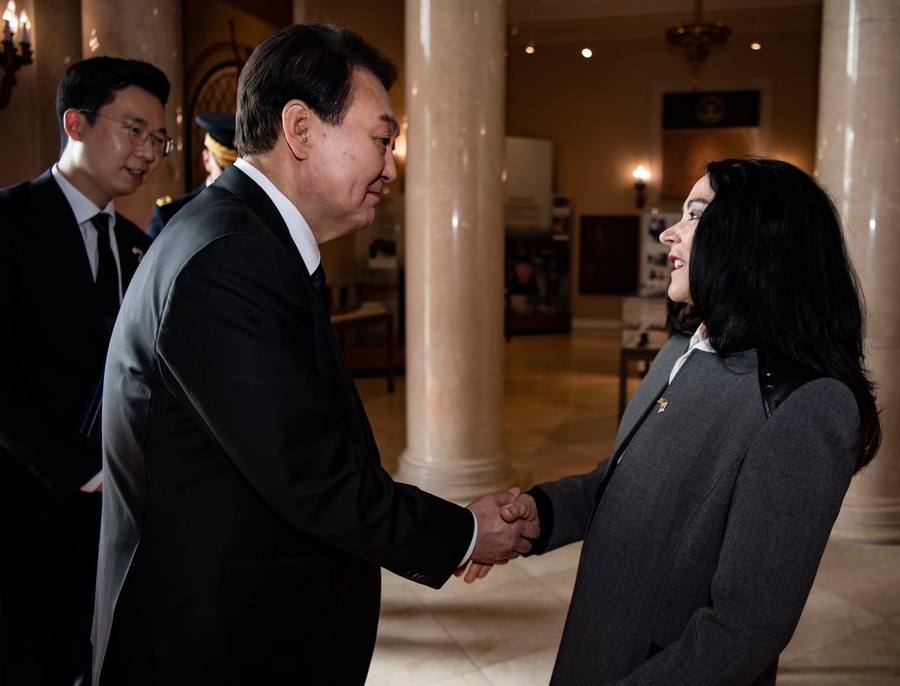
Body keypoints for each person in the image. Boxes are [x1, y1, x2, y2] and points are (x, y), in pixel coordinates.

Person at [92, 22, 537, 686]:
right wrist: (464, 533)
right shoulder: (230, 258)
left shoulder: (246, 238)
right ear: (299, 129)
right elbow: (311, 474)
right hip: (213, 645)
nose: (391, 166)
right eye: (381, 139)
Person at [468, 157, 882, 685]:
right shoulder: (684, 351)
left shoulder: (804, 404)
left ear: (758, 240)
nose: (669, 232)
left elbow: (745, 629)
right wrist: (541, 513)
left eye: (696, 215)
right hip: (599, 641)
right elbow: (622, 485)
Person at [0, 57, 171, 685]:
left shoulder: (137, 245)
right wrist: (81, 470)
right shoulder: (10, 223)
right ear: (76, 121)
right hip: (26, 506)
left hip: (114, 510)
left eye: (158, 138)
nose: (148, 151)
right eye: (133, 129)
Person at [146, 111, 237, 237]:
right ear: (206, 160)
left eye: (240, 170)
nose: (235, 178)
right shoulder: (171, 215)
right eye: (226, 169)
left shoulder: (261, 213)